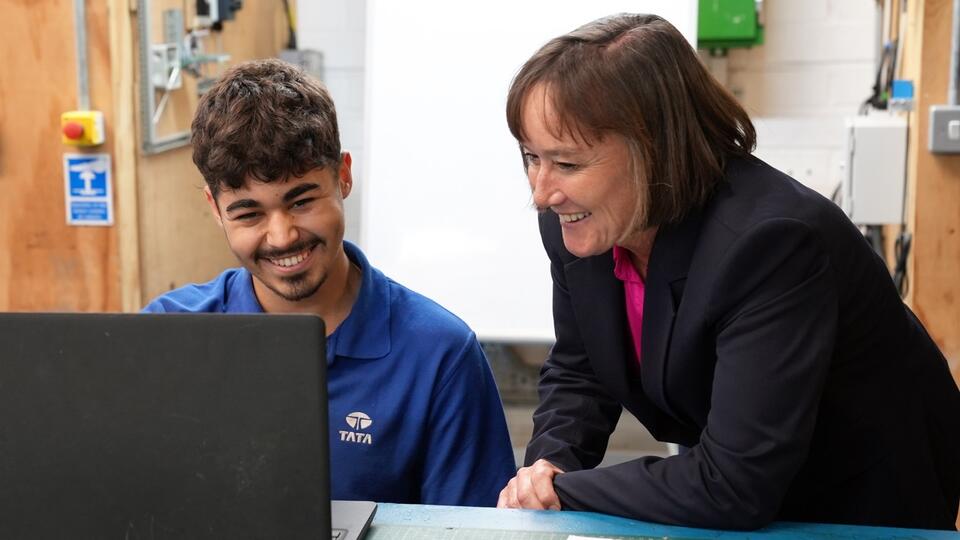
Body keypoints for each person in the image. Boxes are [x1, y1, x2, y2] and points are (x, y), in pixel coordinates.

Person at [496, 13, 960, 530]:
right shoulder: (578, 224)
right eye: (531, 157)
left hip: (862, 490)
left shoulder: (769, 245)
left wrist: (565, 493)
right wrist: (549, 464)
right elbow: (582, 368)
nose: (541, 192)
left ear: (654, 150)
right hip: (749, 485)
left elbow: (734, 484)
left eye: (567, 163)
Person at [143, 59, 516, 506]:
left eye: (301, 201)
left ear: (343, 175)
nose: (282, 237)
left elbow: (471, 534)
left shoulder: (440, 355)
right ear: (215, 207)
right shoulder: (168, 336)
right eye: (249, 213)